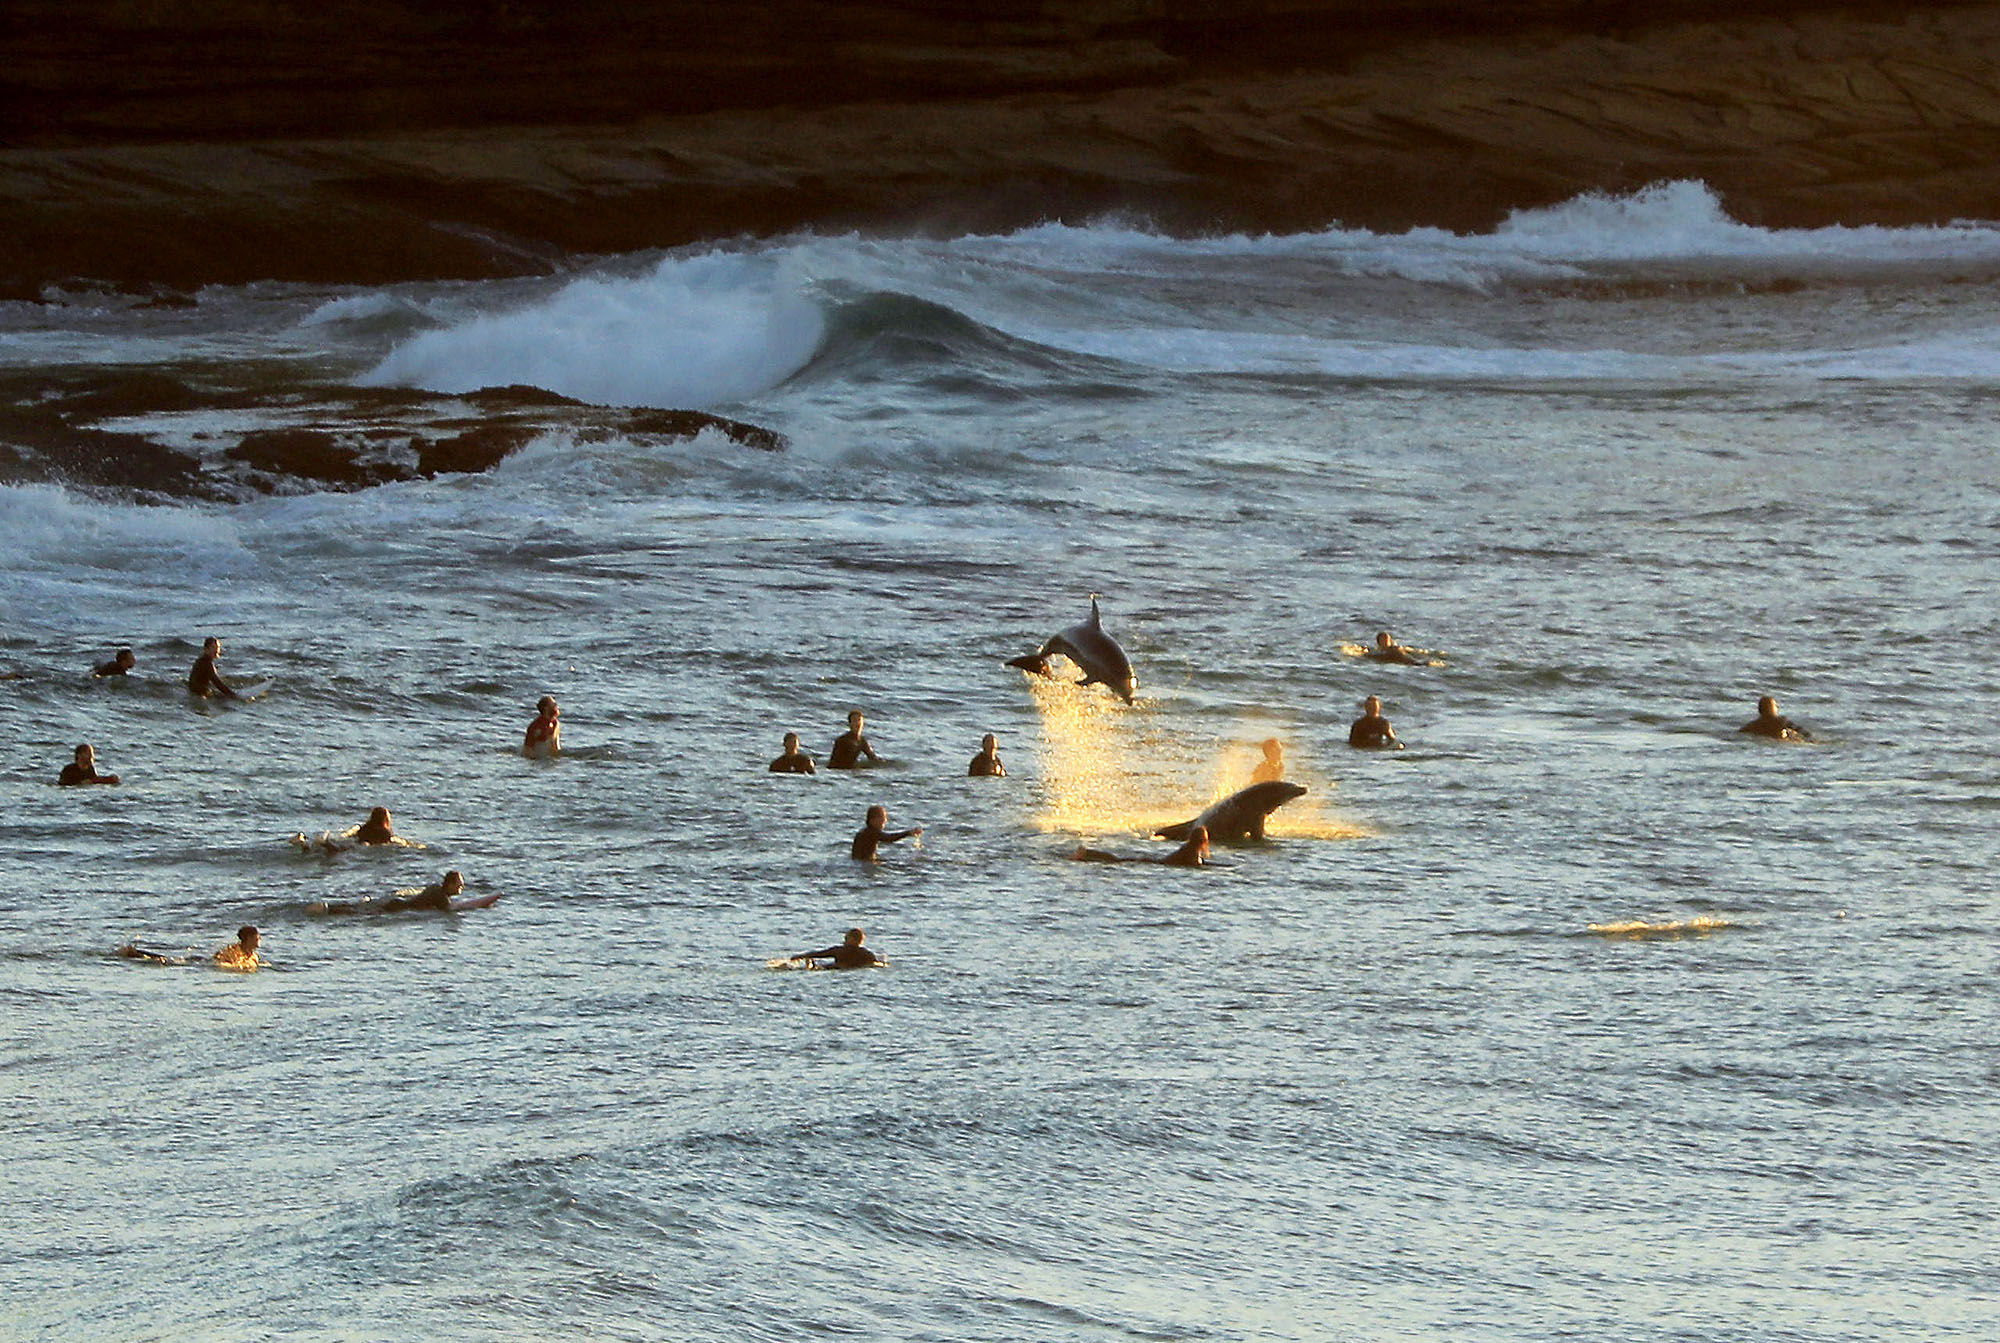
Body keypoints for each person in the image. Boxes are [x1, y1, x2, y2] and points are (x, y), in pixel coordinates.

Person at [312, 870, 480, 915]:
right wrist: (478, 906)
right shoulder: (442, 898)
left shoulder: (435, 888)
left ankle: (329, 908)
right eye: (459, 885)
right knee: (359, 914)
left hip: (397, 904)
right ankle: (328, 910)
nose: (461, 888)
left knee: (361, 911)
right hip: (398, 908)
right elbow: (449, 909)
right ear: (450, 884)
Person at [1070, 825, 1211, 866]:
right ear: (1202, 842)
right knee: (1116, 861)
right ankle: (1086, 853)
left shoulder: (1188, 849)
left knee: (1118, 859)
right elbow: (1197, 866)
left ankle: (1087, 853)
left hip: (1153, 861)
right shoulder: (1191, 854)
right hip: (1154, 863)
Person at [851, 804, 921, 861]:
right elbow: (889, 838)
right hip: (864, 863)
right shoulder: (871, 833)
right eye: (882, 819)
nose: (884, 821)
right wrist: (908, 833)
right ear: (872, 820)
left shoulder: (863, 832)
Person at [793, 927, 883, 969]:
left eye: (846, 939)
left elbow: (820, 954)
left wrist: (801, 956)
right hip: (854, 967)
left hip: (836, 968)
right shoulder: (867, 954)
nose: (844, 941)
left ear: (852, 939)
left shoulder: (840, 950)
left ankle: (811, 966)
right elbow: (877, 964)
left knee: (821, 967)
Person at [1740, 695, 1813, 742]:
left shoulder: (1752, 725)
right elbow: (1802, 732)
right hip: (1780, 741)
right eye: (1775, 705)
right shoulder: (1781, 721)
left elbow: (1740, 733)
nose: (1777, 707)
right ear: (1770, 708)